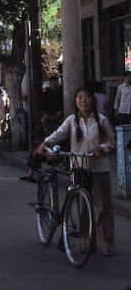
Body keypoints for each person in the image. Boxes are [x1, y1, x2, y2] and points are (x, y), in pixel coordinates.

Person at [34, 88, 116, 257]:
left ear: (92, 101)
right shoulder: (72, 121)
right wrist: (44, 144)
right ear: (75, 102)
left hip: (100, 170)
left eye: (85, 98)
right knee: (83, 210)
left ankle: (107, 245)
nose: (83, 101)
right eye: (79, 98)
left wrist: (101, 149)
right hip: (79, 169)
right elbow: (58, 134)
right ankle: (86, 243)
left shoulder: (102, 121)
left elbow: (112, 142)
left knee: (103, 209)